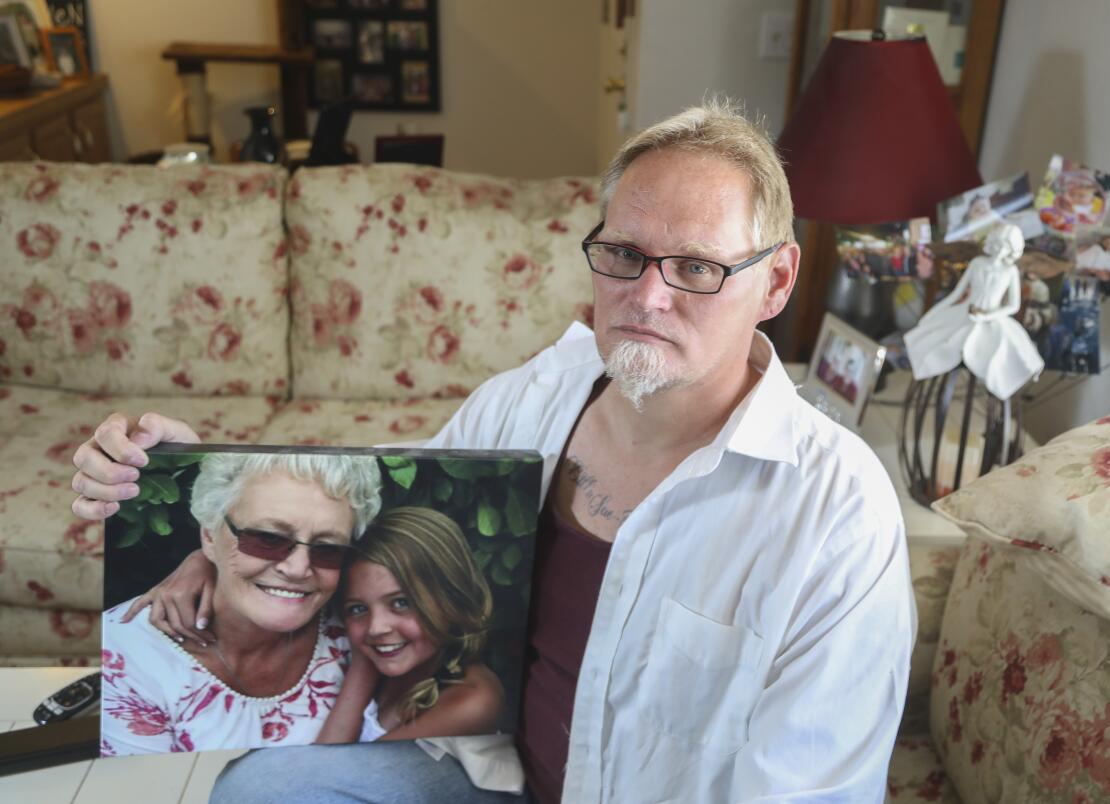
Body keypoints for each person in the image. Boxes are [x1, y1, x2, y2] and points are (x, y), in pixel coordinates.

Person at [71, 100, 915, 802]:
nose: (647, 296)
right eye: (623, 254)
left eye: (696, 267)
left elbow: (813, 790)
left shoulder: (835, 510)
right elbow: (369, 515)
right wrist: (192, 501)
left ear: (774, 282)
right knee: (260, 789)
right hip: (488, 775)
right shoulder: (536, 396)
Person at [100, 452, 383, 756]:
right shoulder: (123, 661)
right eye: (268, 539)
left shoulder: (359, 619)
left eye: (328, 549)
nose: (298, 568)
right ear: (209, 536)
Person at [316, 506, 504, 745]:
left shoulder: (472, 700)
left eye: (401, 602)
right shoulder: (387, 668)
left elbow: (329, 773)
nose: (376, 627)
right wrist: (363, 662)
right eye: (358, 608)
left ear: (451, 599)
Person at [904, 222, 1044, 400]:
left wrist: (989, 315)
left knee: (1000, 356)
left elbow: (1013, 306)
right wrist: (933, 313)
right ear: (992, 243)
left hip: (993, 317)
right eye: (998, 245)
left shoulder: (1010, 271)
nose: (1001, 250)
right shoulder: (977, 263)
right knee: (936, 340)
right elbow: (956, 294)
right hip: (965, 312)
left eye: (1006, 247)